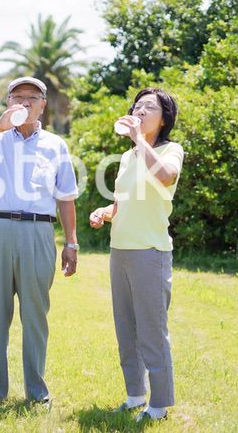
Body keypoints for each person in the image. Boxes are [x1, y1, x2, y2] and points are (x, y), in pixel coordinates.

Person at [0, 76, 79, 408]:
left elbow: (66, 197)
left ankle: (37, 393)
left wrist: (72, 242)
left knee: (36, 314)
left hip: (38, 232)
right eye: (17, 97)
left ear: (43, 104)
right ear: (8, 102)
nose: (24, 103)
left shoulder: (55, 144)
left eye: (31, 98)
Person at [88, 87, 184, 422]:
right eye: (137, 106)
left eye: (149, 107)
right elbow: (122, 202)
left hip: (150, 252)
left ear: (164, 118)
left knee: (151, 331)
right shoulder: (128, 157)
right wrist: (105, 211)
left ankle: (159, 405)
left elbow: (165, 176)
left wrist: (138, 139)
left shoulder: (171, 150)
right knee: (125, 328)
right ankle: (134, 395)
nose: (140, 111)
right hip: (120, 251)